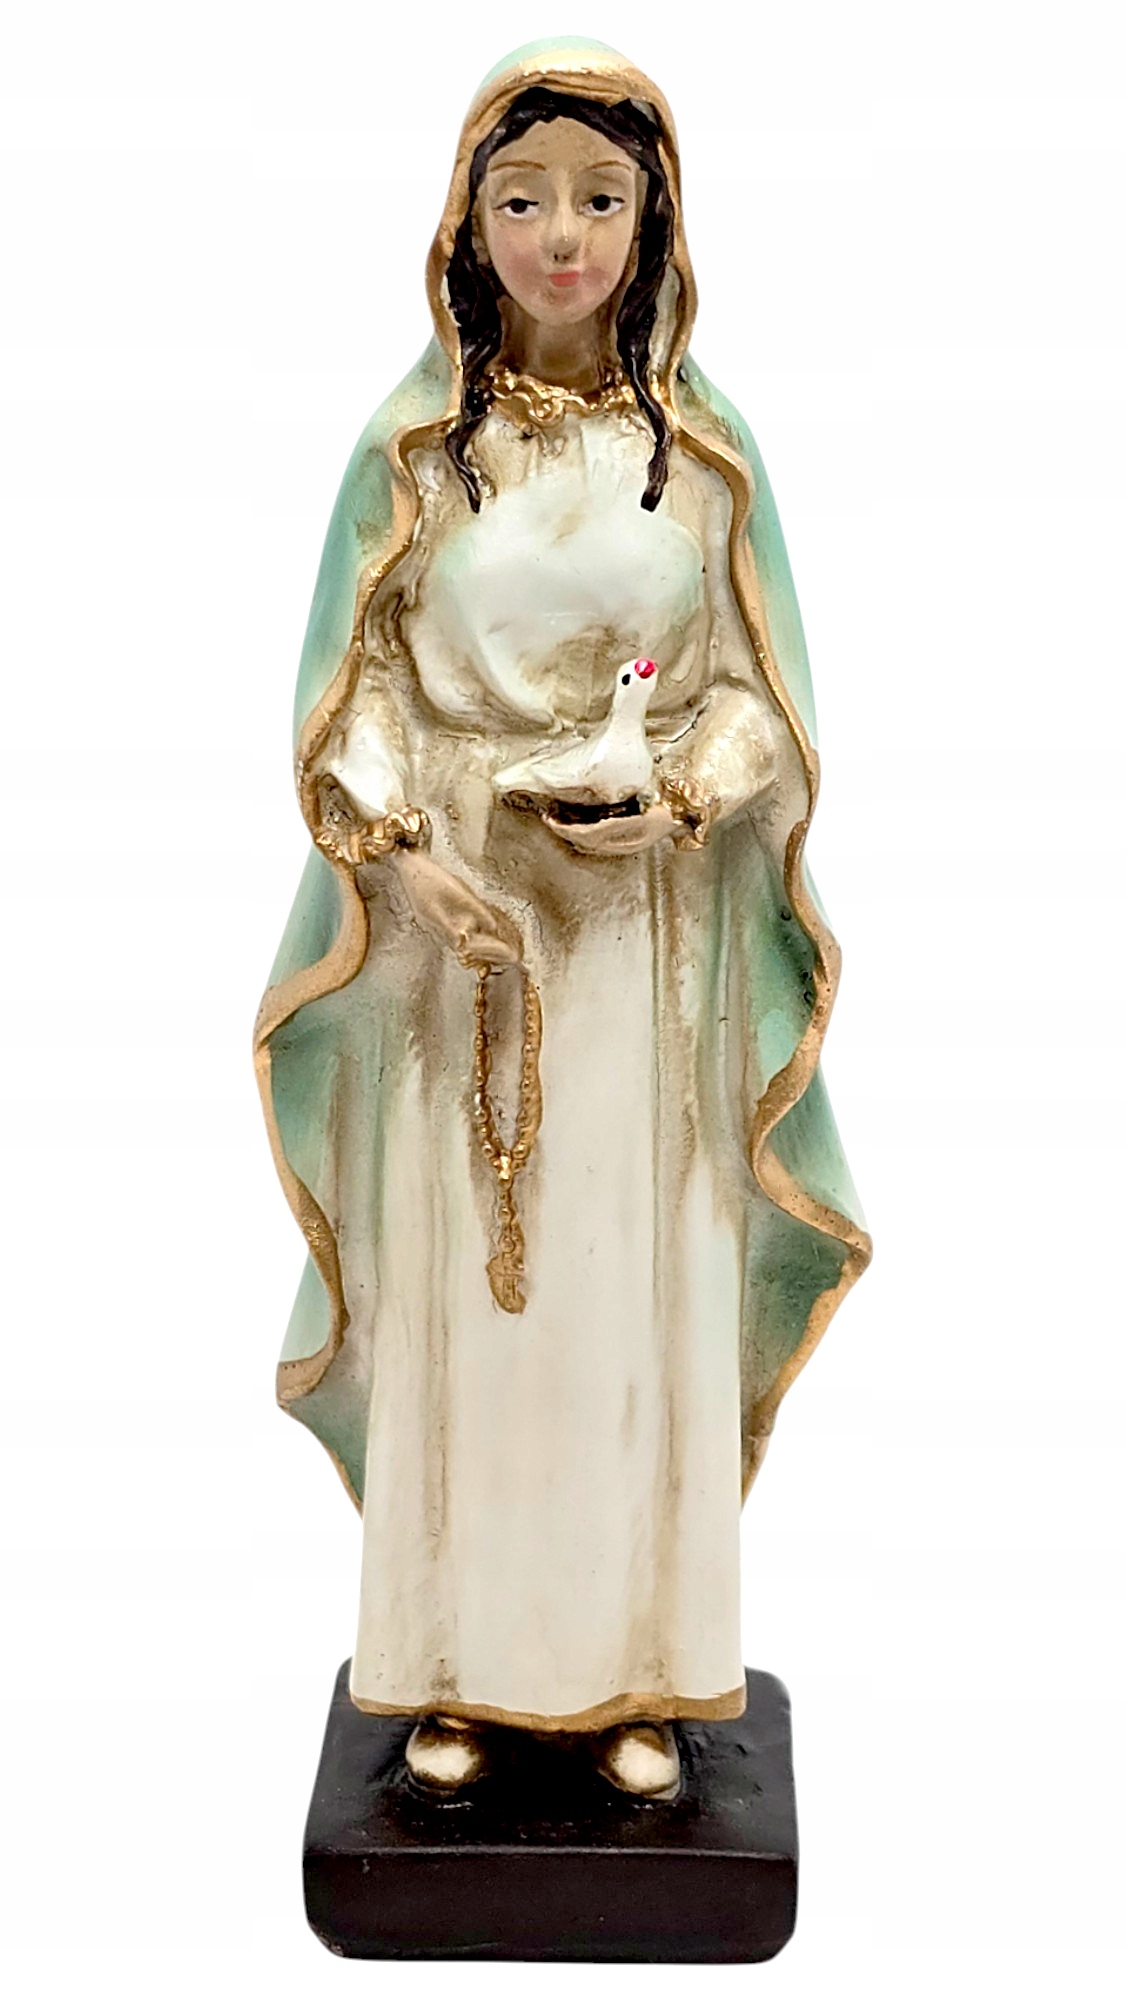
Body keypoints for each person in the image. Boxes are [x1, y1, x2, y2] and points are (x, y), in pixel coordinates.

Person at [255, 37, 870, 1801]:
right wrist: (402, 856)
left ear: (653, 222)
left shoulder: (704, 460)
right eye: (521, 200)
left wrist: (676, 797)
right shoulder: (413, 457)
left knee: (624, 1282)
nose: (561, 237)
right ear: (468, 224)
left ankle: (631, 1671)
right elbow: (357, 691)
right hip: (459, 945)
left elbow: (760, 703)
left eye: (601, 199)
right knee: (470, 1293)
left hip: (636, 953)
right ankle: (448, 1660)